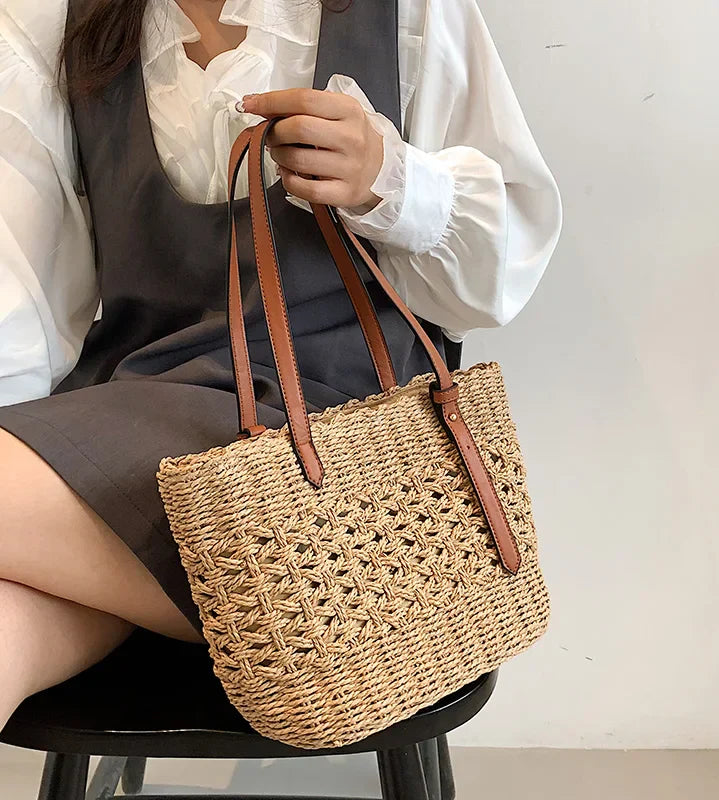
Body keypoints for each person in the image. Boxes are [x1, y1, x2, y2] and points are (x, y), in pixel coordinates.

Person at [0, 0, 562, 731]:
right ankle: (244, 617)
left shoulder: (407, 12)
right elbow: (24, 301)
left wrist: (391, 180)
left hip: (333, 466)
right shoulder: (52, 22)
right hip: (131, 430)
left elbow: (499, 273)